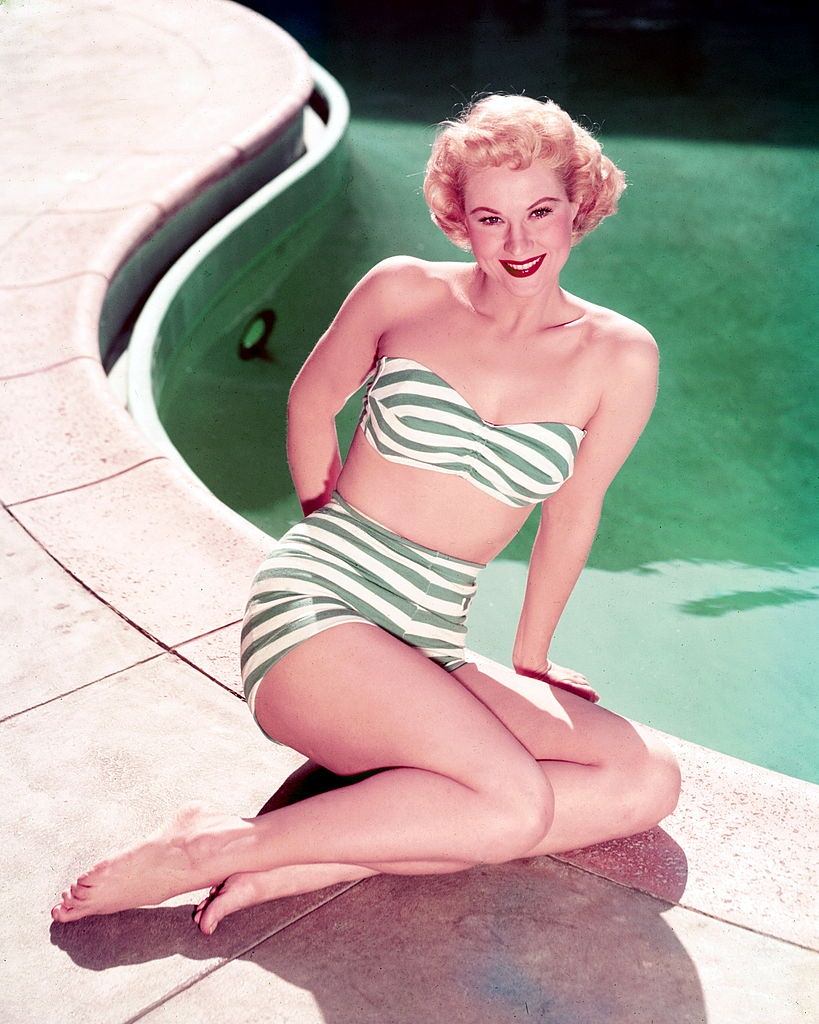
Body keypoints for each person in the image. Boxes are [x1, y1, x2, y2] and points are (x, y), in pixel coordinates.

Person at [51, 95, 681, 934]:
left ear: (579, 207)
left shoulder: (619, 354)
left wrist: (532, 658)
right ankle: (208, 847)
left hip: (431, 634)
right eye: (491, 217)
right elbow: (311, 402)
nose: (518, 243)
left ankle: (312, 852)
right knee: (509, 802)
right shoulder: (402, 290)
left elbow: (572, 509)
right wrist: (324, 526)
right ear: (459, 218)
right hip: (322, 609)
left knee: (645, 777)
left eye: (540, 212)